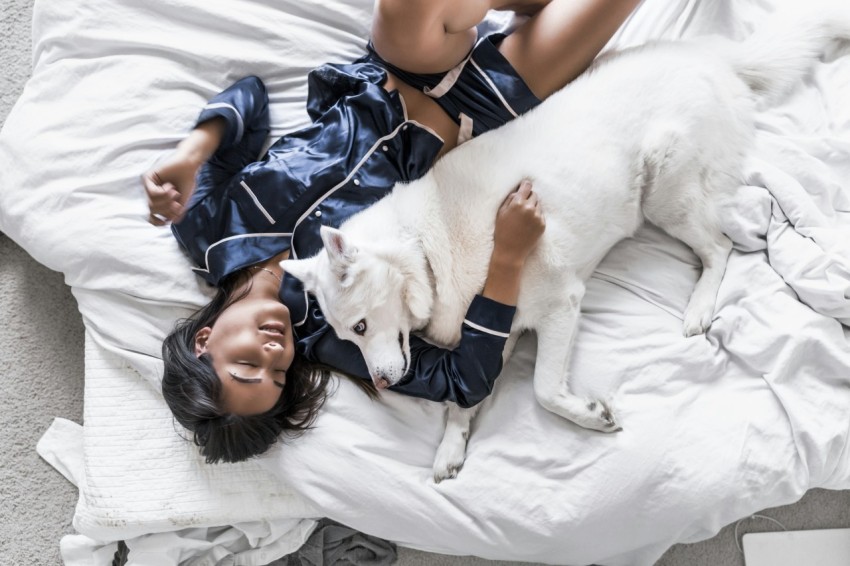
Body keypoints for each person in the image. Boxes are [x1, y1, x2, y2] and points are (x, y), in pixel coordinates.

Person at [144, 0, 641, 463]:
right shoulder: (334, 333)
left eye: (248, 366)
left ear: (204, 341)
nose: (275, 355)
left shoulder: (204, 231)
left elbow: (248, 98)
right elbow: (463, 380)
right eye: (276, 376)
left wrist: (192, 152)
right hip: (483, 117)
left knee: (403, 7)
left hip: (399, 71)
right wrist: (507, 259)